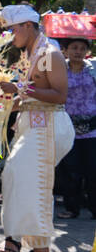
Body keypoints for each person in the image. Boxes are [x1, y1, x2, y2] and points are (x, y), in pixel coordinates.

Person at [0, 5, 73, 252]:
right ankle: (38, 250)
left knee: (32, 184)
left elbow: (60, 96)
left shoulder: (49, 53)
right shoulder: (34, 52)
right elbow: (31, 96)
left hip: (48, 127)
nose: (10, 35)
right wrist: (3, 106)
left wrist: (17, 87)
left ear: (28, 26)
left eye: (12, 29)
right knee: (21, 181)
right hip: (35, 126)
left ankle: (39, 251)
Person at [55, 37, 96, 220]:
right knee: (70, 170)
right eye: (74, 48)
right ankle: (72, 208)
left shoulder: (93, 69)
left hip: (92, 127)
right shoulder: (59, 69)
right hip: (67, 126)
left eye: (82, 48)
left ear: (87, 51)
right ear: (66, 50)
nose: (78, 51)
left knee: (92, 170)